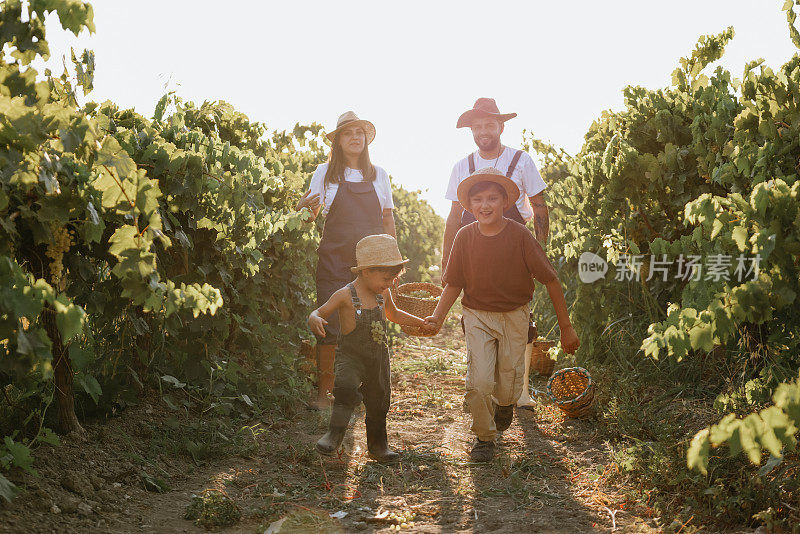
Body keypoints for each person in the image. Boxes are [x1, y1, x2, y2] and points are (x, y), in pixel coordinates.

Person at [425, 168, 580, 462]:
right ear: (469, 206)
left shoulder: (520, 235)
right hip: (477, 315)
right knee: (478, 382)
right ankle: (484, 438)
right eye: (478, 199)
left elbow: (551, 280)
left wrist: (566, 327)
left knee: (508, 385)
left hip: (514, 315)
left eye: (493, 198)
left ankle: (506, 404)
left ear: (506, 202)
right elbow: (454, 283)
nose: (485, 205)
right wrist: (437, 317)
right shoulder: (464, 236)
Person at [442, 97, 551, 408]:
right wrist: (447, 256)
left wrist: (539, 251)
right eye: (477, 127)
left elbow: (539, 206)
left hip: (513, 249)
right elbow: (453, 216)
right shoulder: (463, 166)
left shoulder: (521, 161)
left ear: (501, 126)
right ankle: (480, 379)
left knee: (521, 317)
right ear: (472, 131)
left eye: (489, 125)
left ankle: (522, 389)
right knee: (475, 312)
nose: (483, 131)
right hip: (473, 249)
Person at [296, 111, 397, 409]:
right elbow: (309, 217)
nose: (354, 137)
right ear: (338, 141)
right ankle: (325, 393)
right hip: (334, 256)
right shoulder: (324, 173)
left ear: (366, 140)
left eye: (359, 133)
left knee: (369, 323)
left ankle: (366, 391)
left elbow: (387, 218)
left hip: (372, 260)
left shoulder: (378, 174)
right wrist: (301, 207)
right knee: (329, 323)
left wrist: (393, 261)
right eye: (347, 133)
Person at [308, 234, 430, 464]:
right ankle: (334, 435)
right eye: (386, 278)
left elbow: (393, 315)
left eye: (393, 279)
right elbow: (318, 312)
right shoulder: (345, 295)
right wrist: (314, 319)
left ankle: (378, 444)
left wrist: (420, 322)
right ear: (365, 272)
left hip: (378, 358)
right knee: (345, 387)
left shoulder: (383, 293)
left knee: (379, 399)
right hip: (351, 356)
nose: (389, 284)